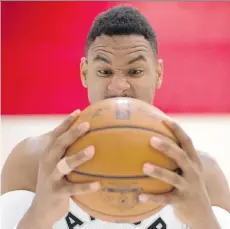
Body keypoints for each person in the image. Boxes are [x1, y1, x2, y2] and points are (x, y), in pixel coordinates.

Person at [1, 5, 230, 229]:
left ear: (158, 74)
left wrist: (204, 222)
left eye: (135, 71)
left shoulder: (202, 175)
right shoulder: (32, 162)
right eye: (105, 71)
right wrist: (38, 218)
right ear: (85, 73)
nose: (119, 86)